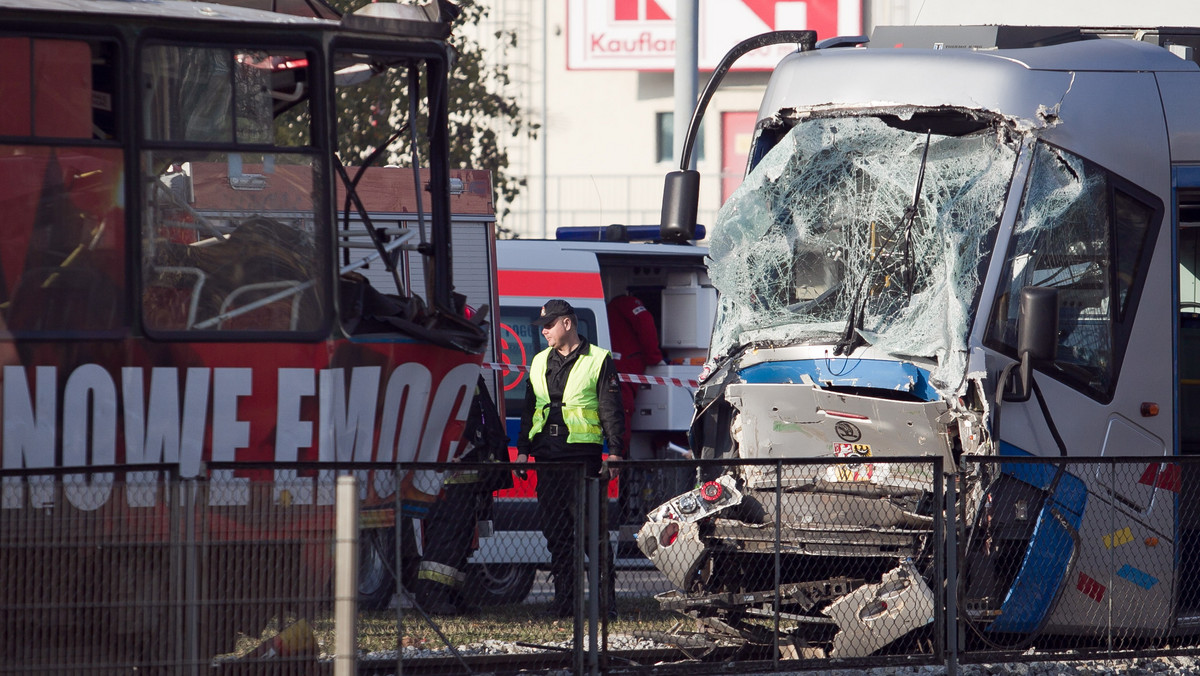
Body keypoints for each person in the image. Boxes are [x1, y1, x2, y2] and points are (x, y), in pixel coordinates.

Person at [515, 299, 625, 619]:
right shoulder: (538, 362)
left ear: (568, 323)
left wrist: (615, 451)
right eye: (543, 326)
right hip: (547, 458)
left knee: (593, 535)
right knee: (557, 534)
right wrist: (523, 450)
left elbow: (611, 409)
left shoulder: (598, 359)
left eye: (549, 324)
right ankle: (566, 603)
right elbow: (528, 410)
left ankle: (605, 607)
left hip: (582, 458)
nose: (545, 331)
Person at [414, 375, 512, 615]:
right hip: (448, 477)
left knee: (461, 540)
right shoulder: (444, 371)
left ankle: (452, 595)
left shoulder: (467, 372)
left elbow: (480, 418)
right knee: (445, 538)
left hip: (467, 474)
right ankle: (431, 596)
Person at [606, 292, 664, 449]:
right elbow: (645, 321)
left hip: (620, 371)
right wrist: (655, 357)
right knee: (620, 418)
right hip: (625, 371)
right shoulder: (628, 304)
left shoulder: (612, 309)